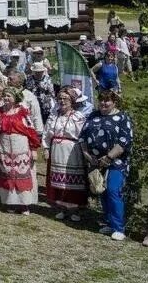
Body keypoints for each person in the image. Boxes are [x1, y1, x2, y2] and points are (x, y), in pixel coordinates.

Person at [79, 89, 133, 242]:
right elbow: (83, 136)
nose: (103, 103)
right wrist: (87, 155)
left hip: (116, 161)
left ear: (114, 102)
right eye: (101, 100)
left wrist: (109, 157)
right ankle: (109, 222)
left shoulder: (122, 118)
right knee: (101, 190)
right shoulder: (93, 115)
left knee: (113, 191)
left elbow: (124, 141)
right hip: (95, 161)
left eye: (107, 100)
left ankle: (119, 228)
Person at [44, 88, 87, 221]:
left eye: (65, 99)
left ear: (72, 101)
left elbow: (83, 135)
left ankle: (74, 209)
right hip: (56, 150)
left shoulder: (78, 116)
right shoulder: (54, 115)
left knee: (72, 180)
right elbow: (47, 133)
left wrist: (85, 152)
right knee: (58, 180)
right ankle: (62, 207)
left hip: (72, 151)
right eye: (60, 98)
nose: (62, 101)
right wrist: (46, 148)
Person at [0, 88, 41, 215]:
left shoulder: (22, 112)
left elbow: (31, 130)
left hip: (20, 146)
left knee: (23, 173)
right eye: (4, 96)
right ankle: (11, 202)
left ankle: (24, 204)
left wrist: (33, 149)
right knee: (7, 173)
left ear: (16, 98)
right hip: (4, 146)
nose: (5, 98)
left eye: (9, 96)